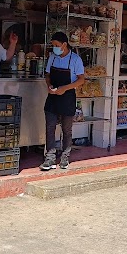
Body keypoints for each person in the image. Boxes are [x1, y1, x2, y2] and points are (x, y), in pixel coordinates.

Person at [41, 32, 85, 171]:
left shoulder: (75, 59)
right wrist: (49, 86)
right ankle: (50, 158)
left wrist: (64, 88)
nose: (54, 48)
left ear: (64, 44)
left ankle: (65, 157)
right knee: (50, 128)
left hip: (67, 97)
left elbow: (81, 79)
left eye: (56, 45)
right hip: (53, 97)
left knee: (67, 130)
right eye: (53, 45)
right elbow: (48, 75)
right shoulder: (52, 58)